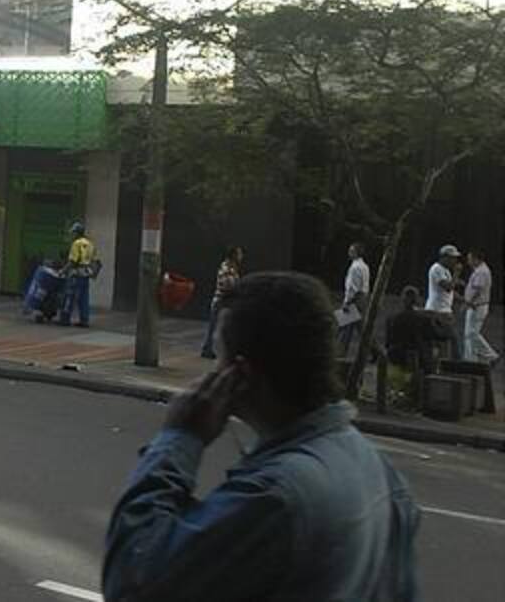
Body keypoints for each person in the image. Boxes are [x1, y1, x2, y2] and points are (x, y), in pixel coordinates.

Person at [103, 271, 420, 601]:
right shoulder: (380, 470)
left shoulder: (274, 498)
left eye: (218, 357)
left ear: (239, 374)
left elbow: (132, 579)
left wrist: (179, 438)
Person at [386, 286, 445, 374]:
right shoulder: (423, 319)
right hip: (420, 361)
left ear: (402, 300)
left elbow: (388, 343)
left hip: (396, 359)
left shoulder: (392, 319)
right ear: (416, 300)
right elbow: (437, 335)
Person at [200, 245, 242, 359]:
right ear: (233, 255)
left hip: (224, 302)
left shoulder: (231, 268)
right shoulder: (226, 268)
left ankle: (210, 349)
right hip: (221, 302)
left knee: (218, 326)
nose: (241, 256)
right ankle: (208, 349)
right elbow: (227, 284)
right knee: (214, 327)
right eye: (239, 253)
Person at [425, 243, 462, 358]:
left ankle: (441, 361)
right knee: (453, 339)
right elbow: (448, 287)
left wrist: (463, 299)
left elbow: (449, 291)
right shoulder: (437, 269)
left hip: (443, 310)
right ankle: (455, 363)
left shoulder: (445, 270)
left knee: (442, 342)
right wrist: (457, 273)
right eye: (452, 258)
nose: (454, 261)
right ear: (444, 257)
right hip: (438, 311)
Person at [463, 249, 498, 366]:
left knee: (472, 334)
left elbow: (478, 289)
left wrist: (468, 302)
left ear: (476, 259)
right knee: (469, 335)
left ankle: (490, 355)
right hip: (476, 305)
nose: (468, 261)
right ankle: (471, 360)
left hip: (477, 306)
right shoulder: (479, 271)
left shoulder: (482, 272)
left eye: (470, 259)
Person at [58, 222, 95, 328]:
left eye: (73, 232)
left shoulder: (76, 244)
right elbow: (93, 259)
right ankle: (84, 320)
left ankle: (65, 319)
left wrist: (62, 271)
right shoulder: (89, 243)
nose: (72, 235)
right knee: (84, 298)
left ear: (77, 233)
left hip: (76, 274)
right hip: (86, 274)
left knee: (70, 296)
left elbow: (72, 261)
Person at [337, 241, 371, 356]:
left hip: (355, 299)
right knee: (361, 330)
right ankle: (375, 350)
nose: (349, 252)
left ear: (356, 253)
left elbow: (353, 287)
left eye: (351, 251)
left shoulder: (355, 267)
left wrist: (347, 302)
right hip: (363, 299)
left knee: (344, 326)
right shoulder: (365, 266)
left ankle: (340, 352)